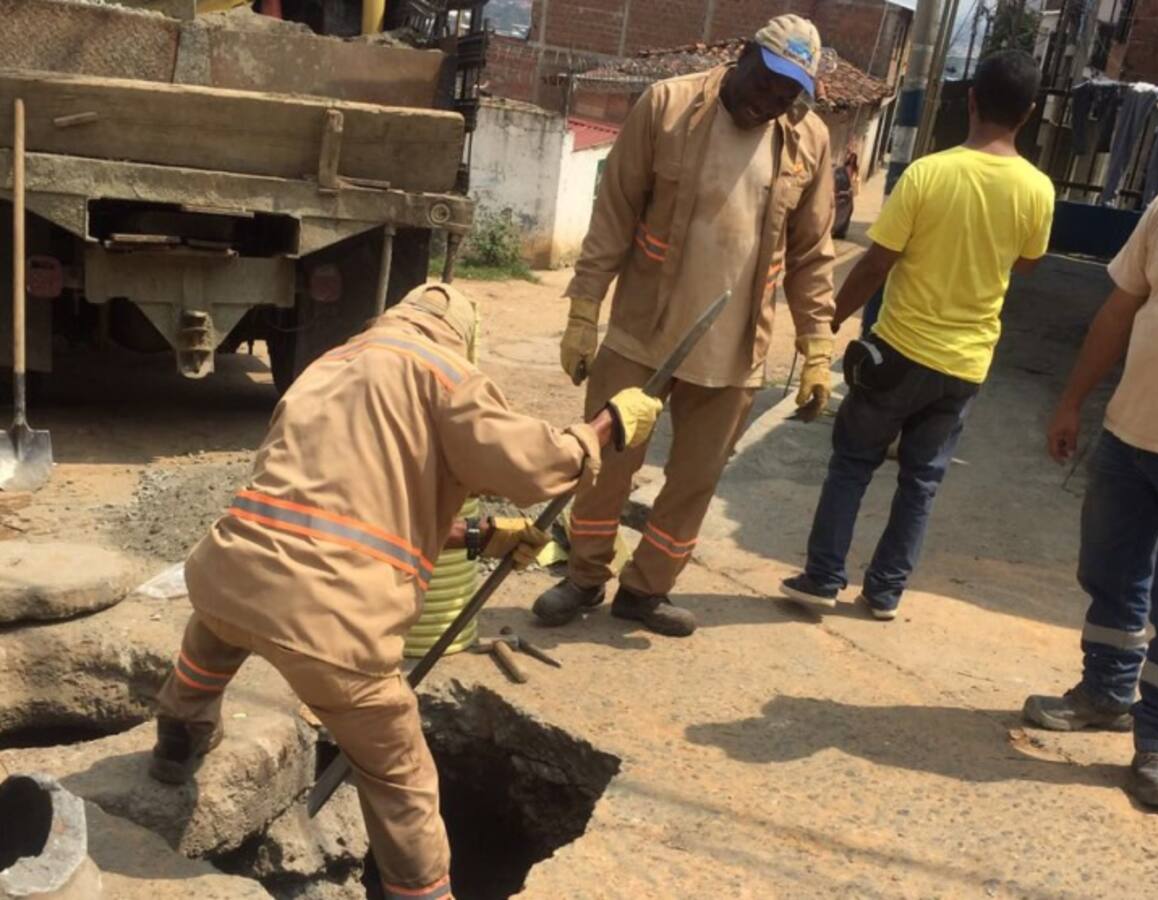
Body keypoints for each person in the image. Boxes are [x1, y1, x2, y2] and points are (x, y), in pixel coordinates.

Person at [149, 283, 662, 900]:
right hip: (333, 622)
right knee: (401, 779)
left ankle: (179, 733)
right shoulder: (446, 375)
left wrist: (481, 536)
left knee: (216, 633)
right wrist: (607, 426)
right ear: (462, 333)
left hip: (227, 570)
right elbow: (534, 466)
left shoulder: (329, 365)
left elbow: (351, 514)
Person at [533, 14, 837, 638]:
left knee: (694, 482)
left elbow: (812, 254)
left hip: (735, 350)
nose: (771, 100)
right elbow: (614, 213)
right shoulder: (668, 107)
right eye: (767, 81)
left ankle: (645, 592)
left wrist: (817, 347)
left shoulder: (809, 139)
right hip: (643, 332)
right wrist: (584, 310)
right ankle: (584, 578)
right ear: (744, 57)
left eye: (788, 93)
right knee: (605, 465)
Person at [781, 50, 1055, 620]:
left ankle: (823, 577)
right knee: (922, 481)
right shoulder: (1039, 189)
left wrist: (830, 319)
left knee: (853, 463)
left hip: (899, 353)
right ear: (1029, 114)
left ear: (971, 99)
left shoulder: (929, 174)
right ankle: (885, 593)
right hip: (965, 366)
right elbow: (1028, 263)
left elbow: (876, 263)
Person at [1023, 97, 1158, 812]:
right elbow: (1118, 312)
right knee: (1110, 572)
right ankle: (1105, 692)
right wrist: (1073, 400)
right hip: (1131, 433)